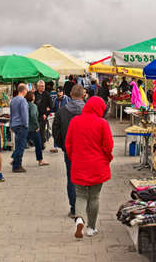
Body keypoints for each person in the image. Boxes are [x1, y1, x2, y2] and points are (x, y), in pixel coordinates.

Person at [65, 96, 113, 238]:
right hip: (97, 165)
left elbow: (69, 144)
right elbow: (108, 146)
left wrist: (74, 157)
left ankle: (79, 218)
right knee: (94, 197)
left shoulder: (75, 121)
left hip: (79, 164)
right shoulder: (102, 123)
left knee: (80, 195)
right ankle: (91, 228)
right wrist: (107, 158)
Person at [52, 84, 85, 219]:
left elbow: (56, 131)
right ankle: (84, 206)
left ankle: (74, 207)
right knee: (85, 177)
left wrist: (63, 145)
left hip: (70, 150)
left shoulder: (62, 111)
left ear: (70, 95)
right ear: (83, 95)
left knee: (71, 178)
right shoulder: (88, 111)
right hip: (86, 150)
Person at [25, 91, 49, 166]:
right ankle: (40, 160)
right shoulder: (33, 106)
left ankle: (15, 158)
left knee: (21, 144)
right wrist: (37, 125)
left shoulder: (25, 105)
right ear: (32, 97)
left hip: (25, 127)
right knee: (38, 144)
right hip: (33, 128)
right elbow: (33, 115)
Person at [10, 83, 29, 172]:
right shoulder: (23, 100)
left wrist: (11, 124)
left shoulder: (13, 100)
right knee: (20, 146)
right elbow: (24, 113)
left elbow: (11, 113)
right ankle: (17, 165)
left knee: (17, 145)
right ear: (24, 90)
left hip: (14, 124)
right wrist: (26, 124)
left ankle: (15, 161)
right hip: (21, 124)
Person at [50, 86, 71, 153]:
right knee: (56, 131)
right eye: (58, 92)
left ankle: (66, 145)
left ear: (63, 92)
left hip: (65, 118)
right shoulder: (55, 99)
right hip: (57, 117)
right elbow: (53, 108)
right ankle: (55, 147)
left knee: (65, 132)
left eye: (60, 92)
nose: (59, 93)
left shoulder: (67, 99)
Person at [34, 80, 54, 150]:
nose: (43, 87)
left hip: (43, 115)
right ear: (38, 87)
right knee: (36, 130)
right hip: (35, 115)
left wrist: (46, 113)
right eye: (42, 86)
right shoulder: (34, 94)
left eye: (44, 86)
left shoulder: (47, 94)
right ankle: (36, 143)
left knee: (42, 130)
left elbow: (51, 106)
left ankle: (42, 144)